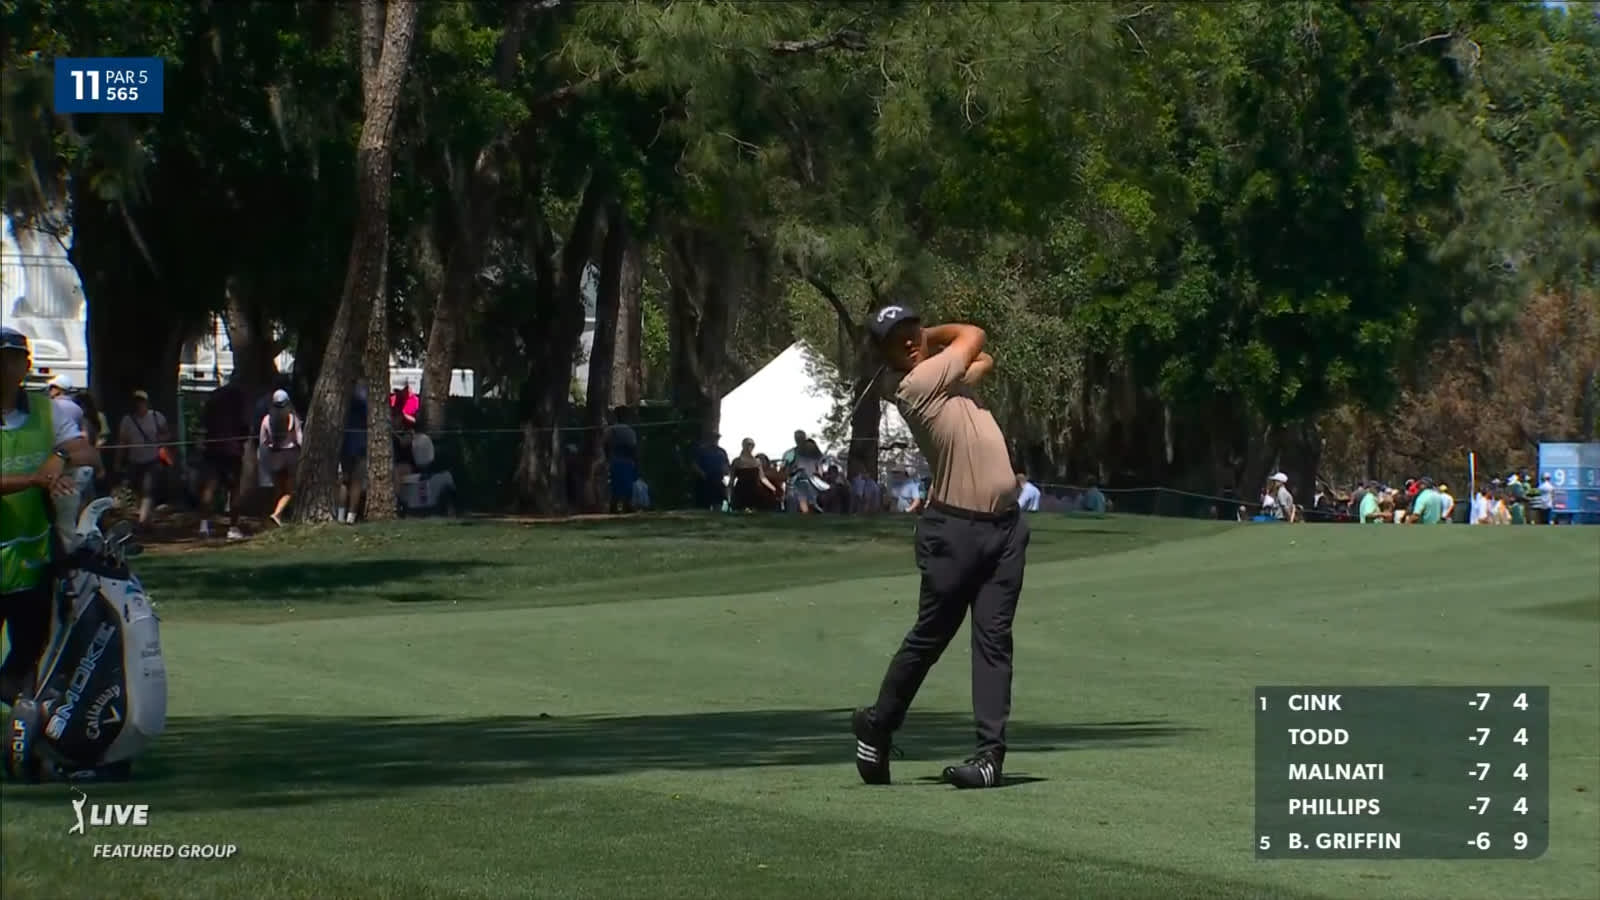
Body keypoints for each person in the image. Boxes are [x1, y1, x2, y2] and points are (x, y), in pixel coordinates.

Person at [851, 304, 1026, 790]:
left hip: (1006, 529)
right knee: (931, 637)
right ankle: (878, 723)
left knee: (994, 641)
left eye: (912, 330)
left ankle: (990, 756)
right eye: (897, 339)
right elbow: (975, 334)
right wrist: (933, 336)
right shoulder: (916, 384)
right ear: (885, 355)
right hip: (956, 531)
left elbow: (982, 360)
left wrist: (953, 360)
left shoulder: (941, 378)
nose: (910, 341)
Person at [0, 328, 98, 705]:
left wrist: (60, 458)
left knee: (29, 654)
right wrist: (35, 478)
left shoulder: (46, 409)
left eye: (11, 359)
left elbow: (89, 454)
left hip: (31, 560)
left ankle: (27, 745)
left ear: (25, 365)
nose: (4, 367)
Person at [198, 375, 252, 540]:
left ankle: (204, 524)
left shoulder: (213, 397)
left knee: (210, 487)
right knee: (234, 489)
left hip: (213, 448)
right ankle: (233, 527)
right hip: (232, 450)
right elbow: (245, 425)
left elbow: (204, 422)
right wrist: (243, 439)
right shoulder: (239, 398)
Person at [116, 389, 170, 526]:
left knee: (148, 490)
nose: (139, 404)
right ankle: (146, 518)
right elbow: (123, 442)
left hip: (152, 460)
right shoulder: (127, 420)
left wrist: (161, 440)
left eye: (141, 401)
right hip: (134, 461)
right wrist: (118, 461)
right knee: (137, 490)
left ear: (147, 402)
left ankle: (143, 520)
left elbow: (167, 434)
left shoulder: (157, 417)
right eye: (136, 402)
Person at [257, 389, 303, 526]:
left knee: (278, 489)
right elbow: (300, 440)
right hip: (290, 456)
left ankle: (274, 517)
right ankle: (277, 514)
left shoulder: (266, 420)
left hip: (274, 456)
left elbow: (263, 441)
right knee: (289, 491)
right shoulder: (293, 418)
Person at [337, 384, 369, 525]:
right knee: (357, 482)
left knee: (345, 481)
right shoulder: (364, 403)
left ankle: (340, 515)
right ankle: (351, 516)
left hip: (345, 442)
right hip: (360, 442)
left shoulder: (343, 401)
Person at [606, 406, 639, 514]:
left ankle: (614, 507)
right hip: (626, 460)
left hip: (615, 459)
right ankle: (626, 505)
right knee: (626, 485)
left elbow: (606, 445)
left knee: (615, 485)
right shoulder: (629, 431)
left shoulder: (611, 430)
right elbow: (633, 448)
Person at [730, 438, 776, 511]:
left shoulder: (757, 461)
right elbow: (732, 480)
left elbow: (762, 477)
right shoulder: (737, 461)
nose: (750, 446)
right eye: (748, 444)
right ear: (743, 445)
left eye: (752, 445)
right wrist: (730, 494)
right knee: (740, 512)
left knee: (755, 514)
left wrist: (772, 488)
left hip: (755, 490)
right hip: (741, 490)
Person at [691, 431, 730, 511]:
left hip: (718, 480)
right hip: (705, 480)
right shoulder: (701, 450)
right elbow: (694, 464)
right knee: (704, 504)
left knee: (718, 503)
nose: (715, 440)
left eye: (717, 438)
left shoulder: (722, 451)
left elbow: (726, 464)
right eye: (713, 437)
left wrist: (726, 471)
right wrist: (702, 474)